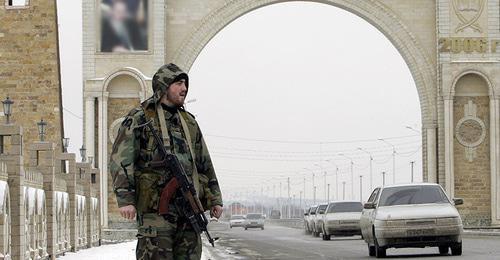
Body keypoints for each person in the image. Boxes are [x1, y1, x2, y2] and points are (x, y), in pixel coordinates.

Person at [110, 63, 223, 259]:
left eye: (185, 84)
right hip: (155, 213)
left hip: (188, 210)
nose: (184, 88)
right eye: (178, 83)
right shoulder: (140, 118)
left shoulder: (188, 121)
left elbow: (203, 162)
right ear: (164, 85)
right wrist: (125, 199)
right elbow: (121, 160)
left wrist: (215, 198)